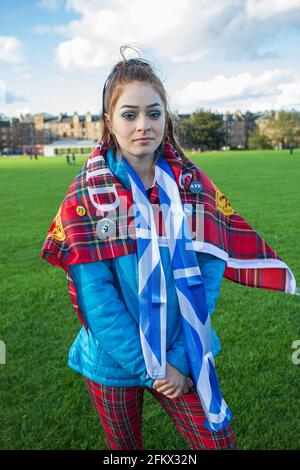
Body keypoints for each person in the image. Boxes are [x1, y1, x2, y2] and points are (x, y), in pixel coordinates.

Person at [41, 47, 296, 451]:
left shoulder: (195, 187)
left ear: (166, 117)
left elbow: (209, 275)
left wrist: (177, 360)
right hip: (114, 359)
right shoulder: (84, 195)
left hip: (185, 347)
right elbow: (96, 297)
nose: (143, 125)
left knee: (219, 443)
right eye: (129, 114)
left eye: (154, 112)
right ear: (109, 121)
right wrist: (153, 370)